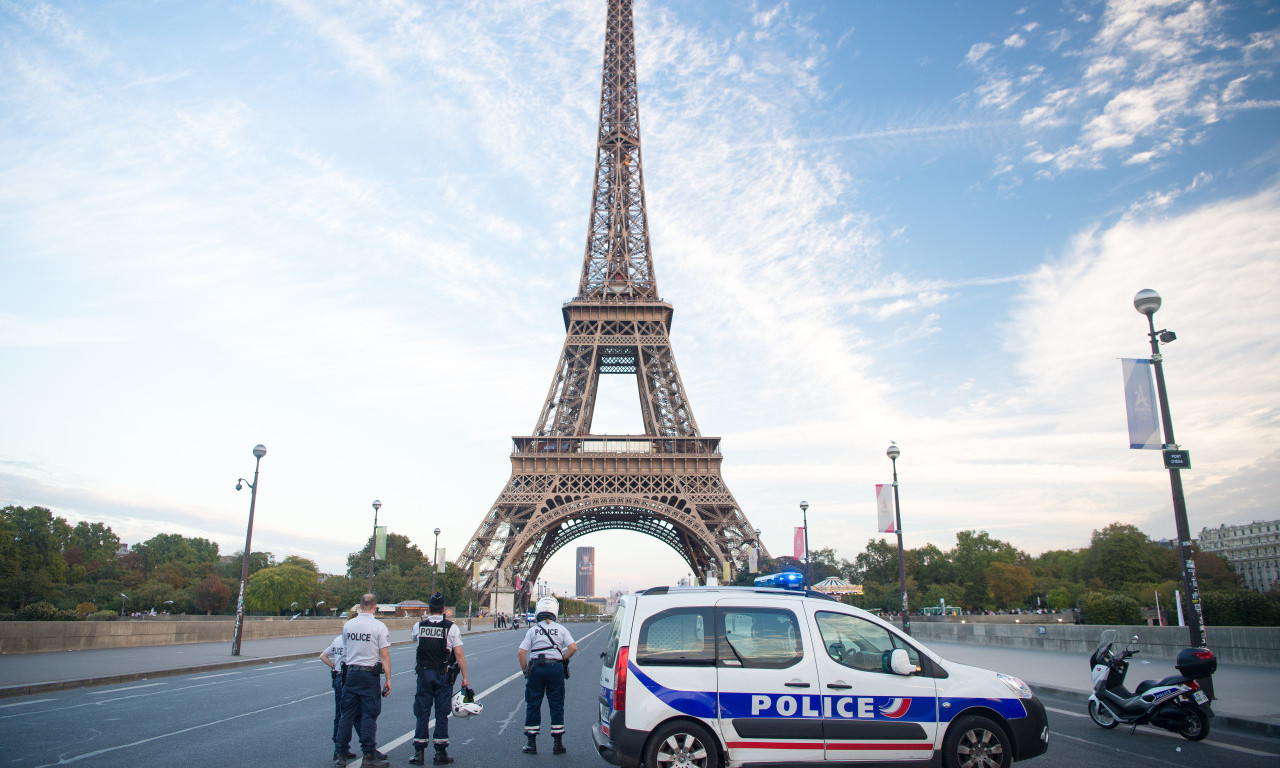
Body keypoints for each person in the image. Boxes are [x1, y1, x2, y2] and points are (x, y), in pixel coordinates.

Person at [333, 594, 392, 768]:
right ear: (375, 607)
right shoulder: (379, 627)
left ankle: (341, 755)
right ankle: (368, 755)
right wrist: (388, 679)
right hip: (369, 676)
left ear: (359, 606)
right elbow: (384, 655)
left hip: (350, 674)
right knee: (369, 715)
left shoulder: (348, 625)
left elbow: (345, 649)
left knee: (346, 715)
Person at [410, 593, 469, 766]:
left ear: (429, 608)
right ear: (444, 609)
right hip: (443, 674)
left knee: (422, 712)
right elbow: (458, 654)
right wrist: (465, 676)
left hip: (424, 674)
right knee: (442, 714)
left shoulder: (418, 626)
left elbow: (415, 638)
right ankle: (440, 753)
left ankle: (418, 753)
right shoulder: (451, 628)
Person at [517, 596, 577, 755]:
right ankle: (558, 743)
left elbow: (521, 653)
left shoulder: (533, 630)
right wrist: (561, 659)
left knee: (533, 704)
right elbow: (573, 647)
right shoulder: (561, 629)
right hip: (555, 667)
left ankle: (531, 743)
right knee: (556, 704)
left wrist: (525, 671)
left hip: (537, 667)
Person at [320, 623, 362, 762]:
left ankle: (338, 749)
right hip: (348, 677)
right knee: (354, 714)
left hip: (337, 676)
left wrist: (334, 666)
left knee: (339, 713)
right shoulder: (352, 640)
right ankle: (365, 748)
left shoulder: (337, 639)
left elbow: (323, 656)